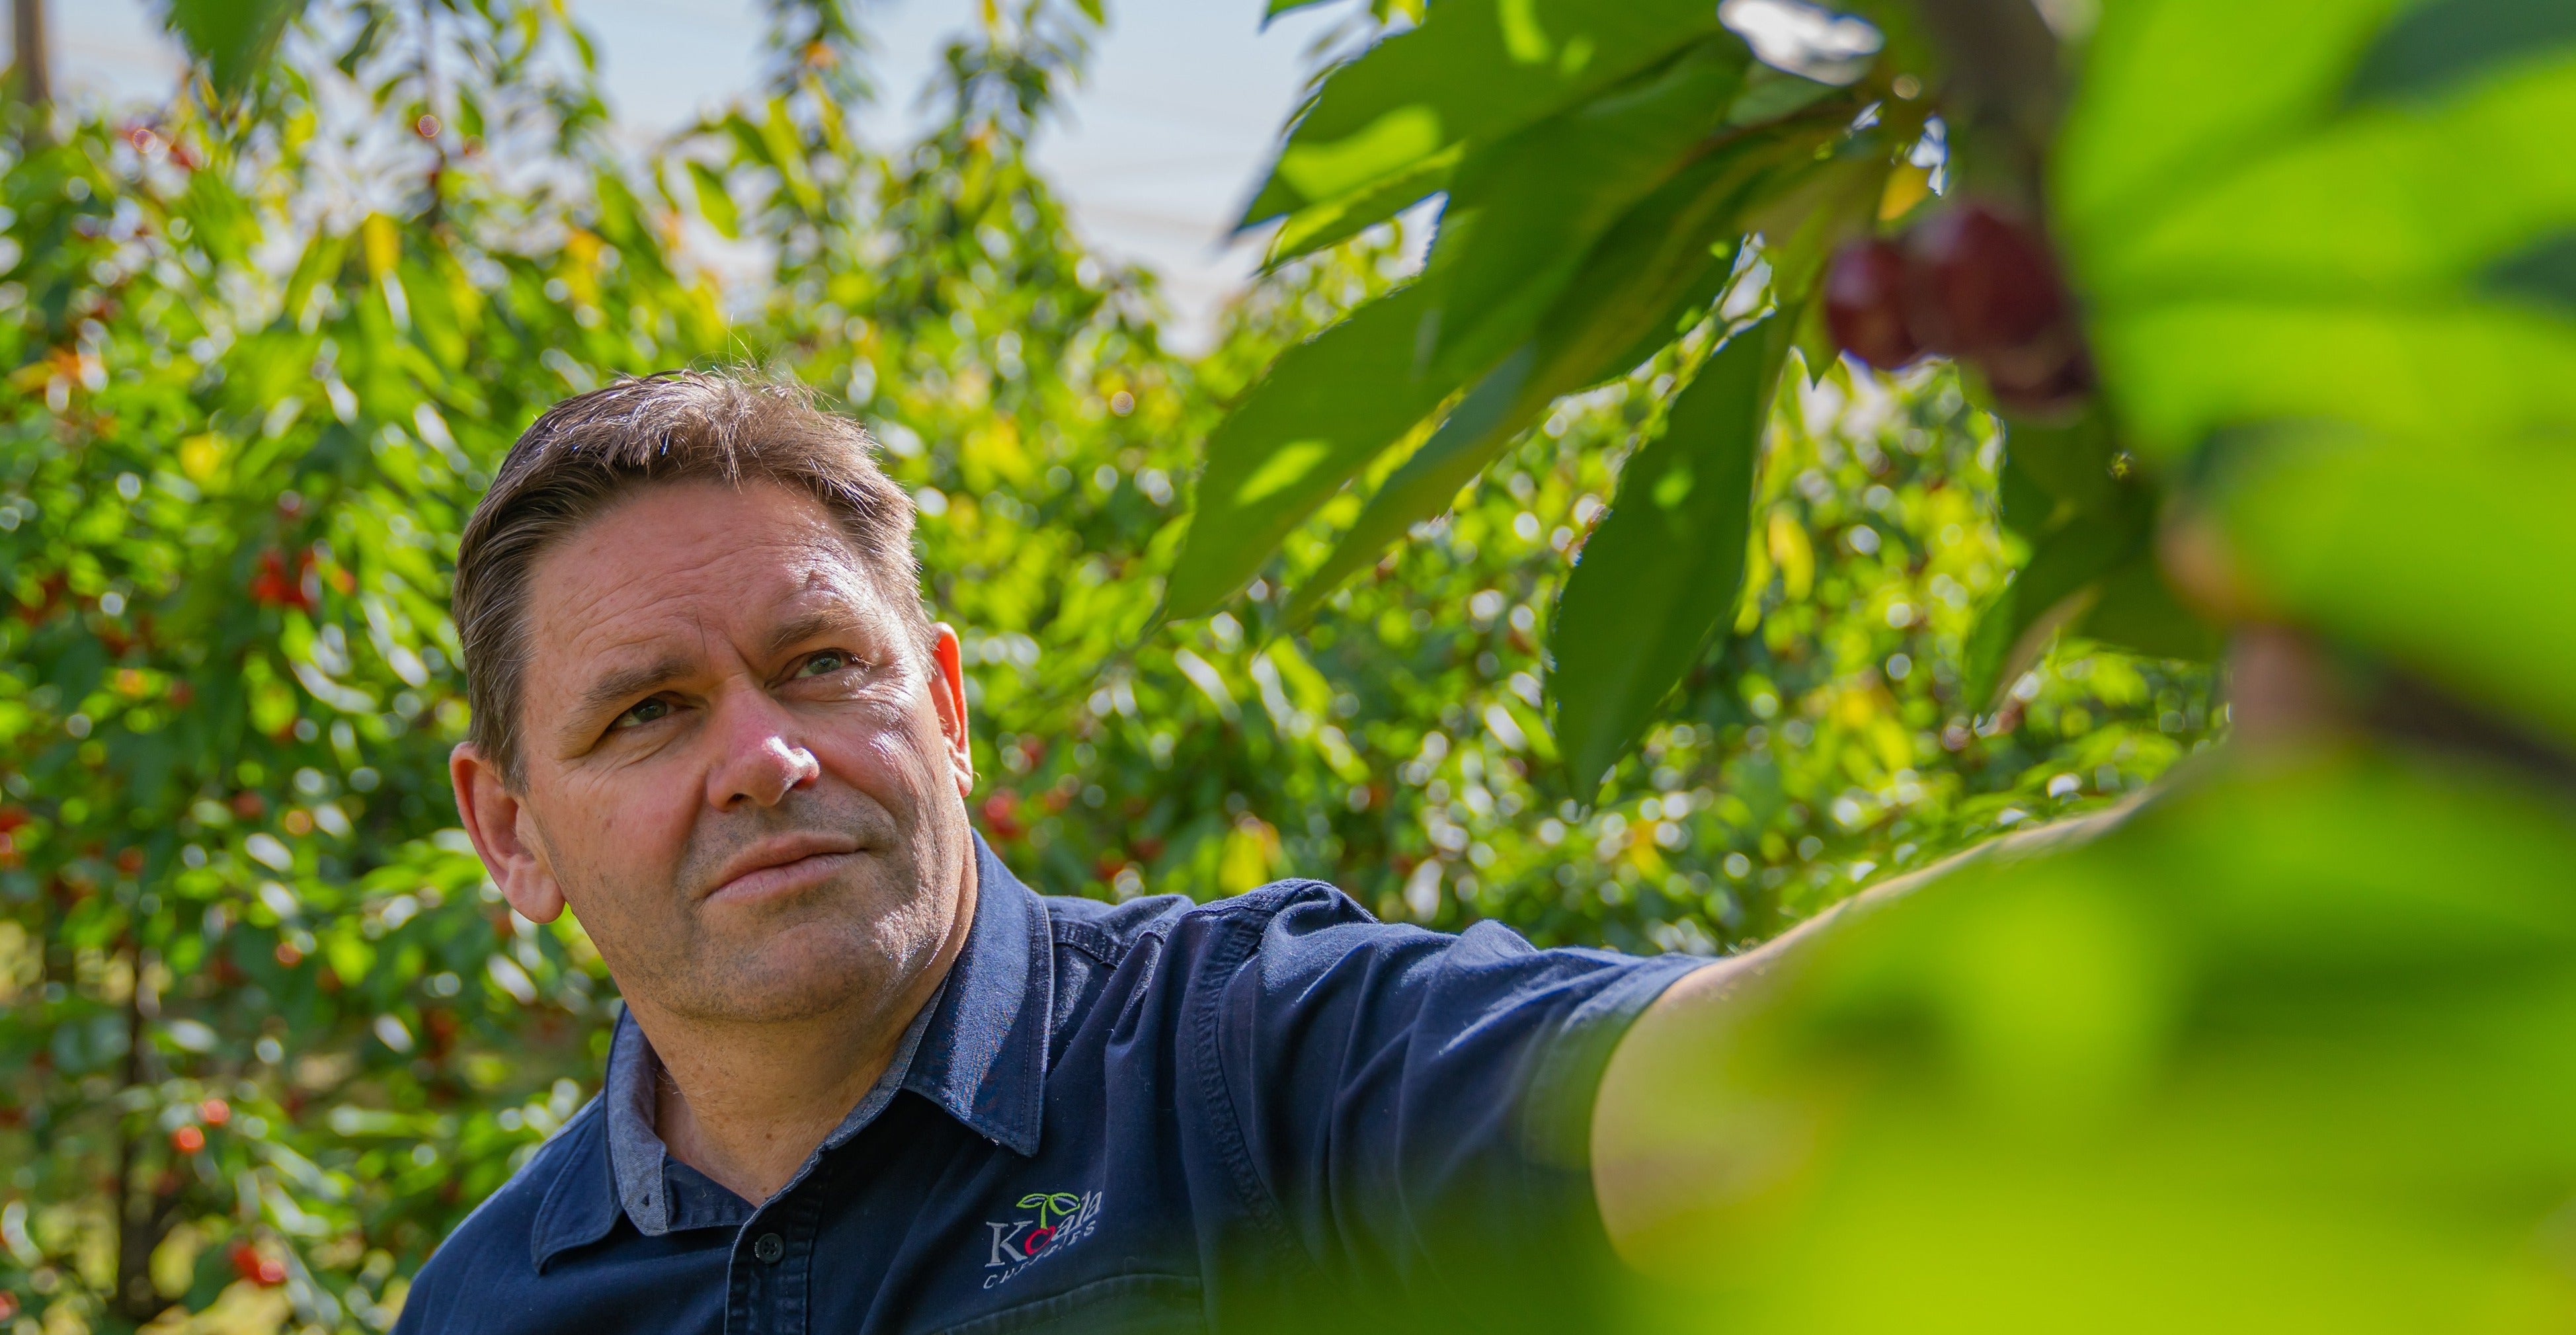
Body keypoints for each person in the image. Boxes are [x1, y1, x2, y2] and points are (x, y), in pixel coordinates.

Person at [390, 370, 1872, 1335]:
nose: (768, 755)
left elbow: (1742, 1081)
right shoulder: (484, 1301)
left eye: (825, 661)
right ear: (513, 833)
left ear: (949, 707)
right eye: (650, 712)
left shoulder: (1253, 1058)